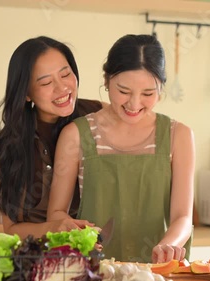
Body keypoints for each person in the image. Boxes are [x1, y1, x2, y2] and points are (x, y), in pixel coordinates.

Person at [47, 34, 195, 263]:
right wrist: (67, 227)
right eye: (124, 91)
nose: (134, 104)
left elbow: (183, 217)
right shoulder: (76, 135)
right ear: (106, 81)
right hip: (93, 271)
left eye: (148, 94)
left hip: (157, 273)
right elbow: (55, 214)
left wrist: (169, 245)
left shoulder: (178, 135)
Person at [0, 36, 105, 239]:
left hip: (102, 254)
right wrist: (53, 228)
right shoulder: (12, 145)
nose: (62, 88)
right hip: (40, 260)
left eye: (66, 74)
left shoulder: (99, 115)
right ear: (26, 93)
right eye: (46, 83)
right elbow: (11, 228)